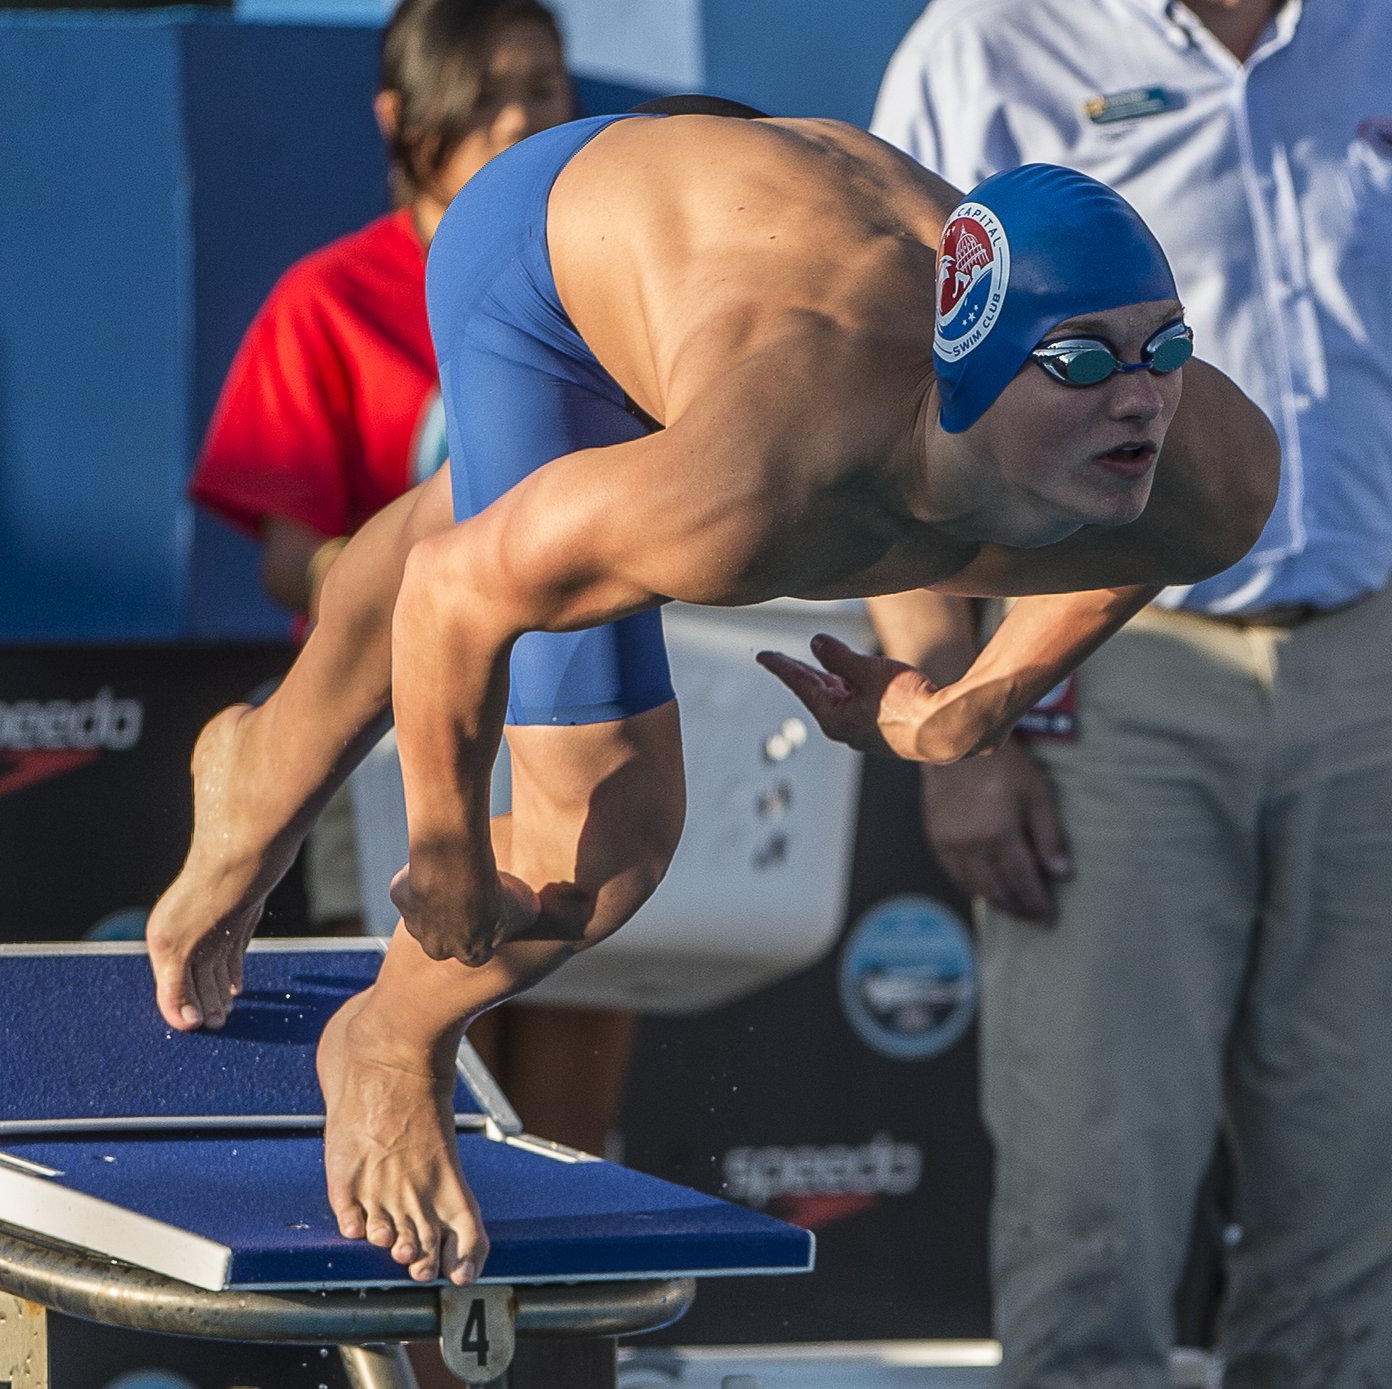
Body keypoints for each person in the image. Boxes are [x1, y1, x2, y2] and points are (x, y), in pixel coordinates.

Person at [144, 109, 1280, 1287]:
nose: (1142, 400)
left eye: (1165, 349)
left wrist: (980, 698)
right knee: (608, 837)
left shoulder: (1208, 463)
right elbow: (445, 595)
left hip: (737, 209)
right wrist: (444, 850)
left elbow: (1162, 539)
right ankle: (385, 1039)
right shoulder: (757, 488)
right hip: (544, 248)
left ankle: (251, 762)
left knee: (520, 516)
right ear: (977, 372)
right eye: (1086, 361)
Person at [868, 1, 1392, 1384]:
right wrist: (953, 725)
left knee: (1364, 1220)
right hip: (1099, 677)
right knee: (1093, 1211)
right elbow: (882, 398)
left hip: (1369, 665)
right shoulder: (982, 46)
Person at [189, 0, 638, 1163]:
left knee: (569, 1125)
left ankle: (553, 1349)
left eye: (541, 87)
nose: (518, 117)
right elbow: (290, 551)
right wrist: (440, 581)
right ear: (402, 117)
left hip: (590, 703)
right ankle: (418, 1347)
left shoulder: (606, 282)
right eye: (483, 93)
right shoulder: (328, 299)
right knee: (421, 1087)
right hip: (392, 729)